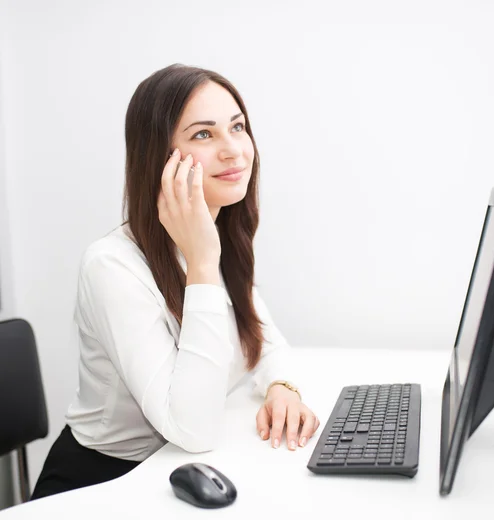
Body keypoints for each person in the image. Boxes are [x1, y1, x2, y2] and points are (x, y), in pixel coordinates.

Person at [31, 64, 320, 500]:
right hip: (103, 484)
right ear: (160, 159)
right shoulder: (111, 266)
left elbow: (266, 343)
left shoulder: (215, 236)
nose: (234, 150)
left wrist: (283, 387)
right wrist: (203, 264)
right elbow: (194, 428)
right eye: (204, 134)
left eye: (237, 127)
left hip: (176, 472)